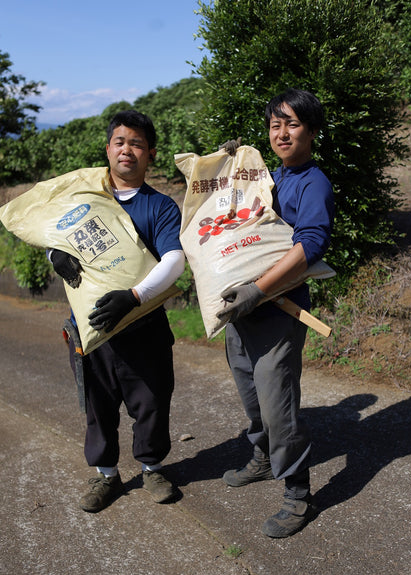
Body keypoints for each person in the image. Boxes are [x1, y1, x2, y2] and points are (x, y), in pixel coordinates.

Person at [50, 110, 185, 512]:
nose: (128, 150)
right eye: (120, 142)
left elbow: (174, 259)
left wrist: (135, 296)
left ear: (151, 154)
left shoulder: (159, 207)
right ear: (108, 149)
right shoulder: (84, 201)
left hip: (144, 325)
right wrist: (54, 253)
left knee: (153, 400)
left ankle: (152, 467)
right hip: (90, 330)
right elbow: (50, 232)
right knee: (97, 404)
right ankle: (105, 475)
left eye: (138, 144)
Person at [217, 88, 335, 538]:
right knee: (251, 397)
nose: (282, 133)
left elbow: (310, 245)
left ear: (312, 130)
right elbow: (228, 212)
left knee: (278, 406)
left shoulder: (313, 182)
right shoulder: (269, 177)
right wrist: (228, 167)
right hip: (242, 312)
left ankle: (298, 495)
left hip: (278, 312)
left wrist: (257, 290)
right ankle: (262, 458)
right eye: (274, 125)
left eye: (292, 124)